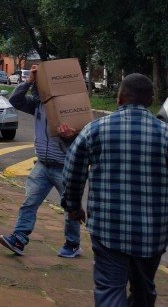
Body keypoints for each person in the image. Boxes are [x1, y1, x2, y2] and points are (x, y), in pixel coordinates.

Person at [62, 73, 168, 306]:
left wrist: (72, 207)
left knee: (110, 290)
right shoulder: (165, 135)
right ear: (150, 100)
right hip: (153, 234)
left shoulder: (94, 130)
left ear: (119, 98)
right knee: (143, 290)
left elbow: (72, 170)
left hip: (109, 229)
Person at [0, 64, 82, 258]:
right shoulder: (37, 105)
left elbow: (82, 140)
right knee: (29, 202)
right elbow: (15, 101)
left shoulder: (70, 110)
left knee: (71, 208)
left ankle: (73, 243)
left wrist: (69, 136)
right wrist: (28, 81)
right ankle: (19, 238)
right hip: (43, 165)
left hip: (65, 167)